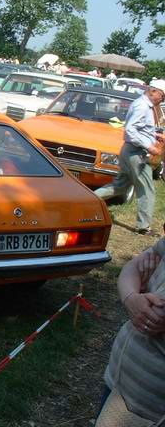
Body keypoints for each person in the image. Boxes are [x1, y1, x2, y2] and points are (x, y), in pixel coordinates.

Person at [95, 241, 165, 426]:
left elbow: (156, 313)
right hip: (118, 384)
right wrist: (131, 298)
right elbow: (133, 267)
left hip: (152, 408)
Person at [95, 80, 165, 235]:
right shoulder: (142, 106)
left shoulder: (143, 104)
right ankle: (143, 227)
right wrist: (149, 146)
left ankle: (87, 200)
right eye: (162, 96)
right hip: (136, 153)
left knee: (120, 186)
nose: (162, 99)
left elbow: (140, 128)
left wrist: (154, 134)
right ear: (153, 91)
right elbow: (130, 129)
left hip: (130, 151)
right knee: (147, 189)